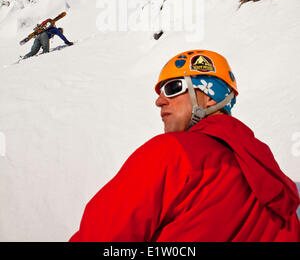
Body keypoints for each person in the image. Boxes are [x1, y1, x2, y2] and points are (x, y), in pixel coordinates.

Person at [69, 49, 300, 242]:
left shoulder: (171, 154)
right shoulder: (268, 174)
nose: (159, 100)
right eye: (161, 92)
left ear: (210, 96)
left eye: (173, 88)